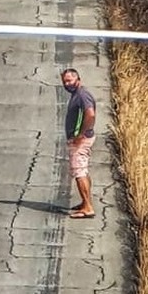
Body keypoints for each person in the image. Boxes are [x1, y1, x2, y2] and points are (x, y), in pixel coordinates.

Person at [61, 68, 97, 219]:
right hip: (81, 139)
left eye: (69, 80)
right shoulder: (77, 94)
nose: (67, 84)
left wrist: (80, 134)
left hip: (80, 141)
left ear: (78, 79)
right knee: (83, 171)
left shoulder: (82, 95)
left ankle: (88, 207)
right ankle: (85, 202)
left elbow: (90, 114)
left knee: (79, 172)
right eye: (64, 81)